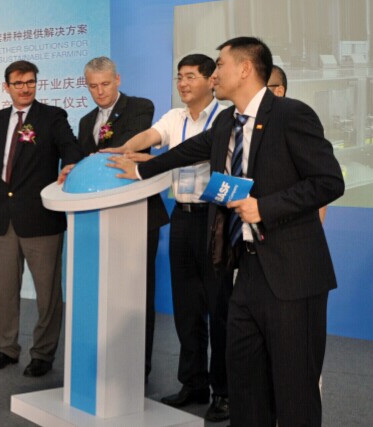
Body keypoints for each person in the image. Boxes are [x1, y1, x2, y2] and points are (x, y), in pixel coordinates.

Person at [109, 37, 343, 426]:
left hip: (293, 275)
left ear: (245, 69)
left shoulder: (291, 114)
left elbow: (328, 182)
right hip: (245, 271)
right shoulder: (226, 122)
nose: (214, 74)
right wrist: (138, 167)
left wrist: (264, 207)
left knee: (294, 389)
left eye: (220, 64)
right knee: (246, 382)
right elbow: (188, 151)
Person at [102, 54, 232, 421]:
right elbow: (150, 136)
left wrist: (153, 160)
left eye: (190, 77)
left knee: (220, 308)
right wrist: (127, 148)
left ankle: (224, 392)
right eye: (179, 77)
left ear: (211, 80)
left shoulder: (225, 119)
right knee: (186, 307)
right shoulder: (175, 117)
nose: (183, 84)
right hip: (182, 218)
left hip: (216, 219)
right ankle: (193, 383)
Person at [0, 60, 83, 377]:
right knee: (6, 290)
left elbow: (71, 148)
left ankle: (43, 353)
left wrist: (71, 165)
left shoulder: (52, 116)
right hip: (2, 219)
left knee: (48, 294)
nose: (25, 88)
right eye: (19, 83)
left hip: (40, 220)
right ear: (6, 87)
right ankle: (6, 348)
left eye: (31, 82)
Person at [77, 56, 169, 380]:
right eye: (93, 86)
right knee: (107, 296)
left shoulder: (140, 107)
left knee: (137, 295)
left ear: (118, 80)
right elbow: (82, 163)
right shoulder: (85, 121)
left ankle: (138, 368)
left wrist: (88, 162)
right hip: (98, 219)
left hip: (137, 214)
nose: (100, 91)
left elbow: (122, 151)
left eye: (105, 84)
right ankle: (109, 363)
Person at [268, 65, 328, 223]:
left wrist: (316, 228)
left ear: (279, 91)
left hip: (293, 226)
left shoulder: (298, 122)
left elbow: (320, 180)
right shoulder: (240, 123)